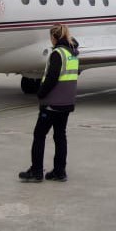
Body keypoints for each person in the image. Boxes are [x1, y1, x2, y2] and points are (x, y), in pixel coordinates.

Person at [19, 24, 79, 182]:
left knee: (39, 135)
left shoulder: (57, 54)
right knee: (60, 136)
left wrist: (40, 94)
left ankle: (36, 171)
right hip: (66, 103)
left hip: (52, 104)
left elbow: (51, 78)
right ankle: (60, 172)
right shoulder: (72, 53)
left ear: (54, 37)